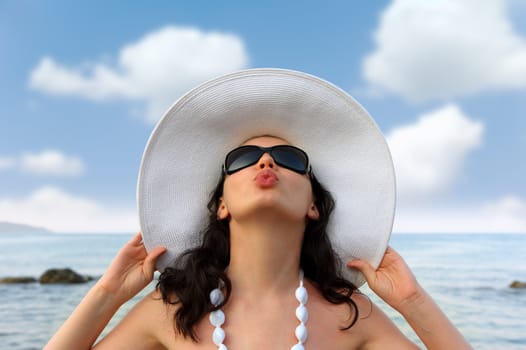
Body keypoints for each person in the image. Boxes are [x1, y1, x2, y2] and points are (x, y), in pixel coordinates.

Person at [45, 69, 472, 349]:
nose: (266, 162)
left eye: (289, 159)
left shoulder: (348, 315)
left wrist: (413, 302)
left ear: (313, 206)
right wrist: (106, 295)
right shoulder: (175, 308)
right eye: (243, 159)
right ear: (222, 205)